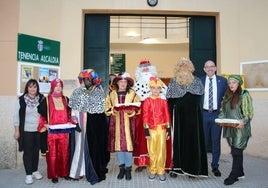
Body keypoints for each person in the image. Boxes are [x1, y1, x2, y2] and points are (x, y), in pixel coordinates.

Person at [166, 57, 208, 178]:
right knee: (177, 142)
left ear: (190, 67)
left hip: (193, 119)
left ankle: (192, 169)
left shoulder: (197, 81)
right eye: (181, 65)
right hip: (178, 118)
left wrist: (183, 100)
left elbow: (198, 98)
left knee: (192, 142)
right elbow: (170, 99)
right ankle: (177, 168)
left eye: (186, 65)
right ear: (178, 68)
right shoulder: (173, 81)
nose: (184, 67)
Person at [68, 69, 109, 184]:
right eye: (85, 79)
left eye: (89, 79)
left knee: (92, 148)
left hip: (93, 125)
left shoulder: (98, 91)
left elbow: (101, 110)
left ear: (93, 79)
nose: (87, 81)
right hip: (81, 122)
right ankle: (78, 172)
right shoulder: (77, 92)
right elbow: (74, 109)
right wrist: (75, 122)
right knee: (80, 147)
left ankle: (90, 170)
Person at [133, 60, 171, 172]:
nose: (145, 70)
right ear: (139, 71)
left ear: (151, 69)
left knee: (159, 141)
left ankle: (160, 163)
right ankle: (143, 162)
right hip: (142, 115)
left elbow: (165, 94)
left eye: (147, 67)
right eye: (143, 68)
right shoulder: (137, 84)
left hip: (158, 117)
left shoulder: (158, 82)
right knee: (143, 138)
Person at [38, 78, 76, 183]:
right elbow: (42, 116)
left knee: (64, 153)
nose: (58, 88)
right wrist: (44, 124)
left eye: (60, 86)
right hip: (52, 133)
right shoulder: (46, 100)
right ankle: (54, 175)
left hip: (64, 132)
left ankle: (64, 173)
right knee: (53, 155)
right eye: (56, 86)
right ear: (52, 87)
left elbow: (69, 114)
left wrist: (70, 121)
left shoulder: (66, 99)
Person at [218, 75, 253, 185]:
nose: (231, 85)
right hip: (229, 128)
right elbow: (222, 111)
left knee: (237, 151)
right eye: (229, 83)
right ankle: (240, 172)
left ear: (239, 84)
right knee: (235, 150)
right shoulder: (227, 96)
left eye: (234, 82)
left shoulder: (244, 95)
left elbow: (249, 113)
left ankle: (233, 176)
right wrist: (220, 119)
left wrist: (244, 121)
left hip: (240, 129)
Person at [105, 72, 140, 181]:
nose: (123, 84)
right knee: (119, 147)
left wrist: (131, 112)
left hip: (128, 124)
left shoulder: (133, 94)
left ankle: (128, 169)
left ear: (127, 83)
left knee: (128, 147)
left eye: (125, 82)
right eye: (121, 82)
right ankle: (121, 169)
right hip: (116, 124)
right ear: (117, 83)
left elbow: (138, 109)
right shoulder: (112, 94)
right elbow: (107, 110)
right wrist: (113, 110)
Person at [13, 79, 45, 184]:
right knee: (27, 153)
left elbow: (45, 114)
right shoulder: (21, 100)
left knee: (36, 152)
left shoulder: (41, 99)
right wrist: (17, 130)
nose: (32, 89)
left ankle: (35, 170)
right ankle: (28, 174)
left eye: (34, 87)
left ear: (37, 88)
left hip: (38, 130)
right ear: (27, 88)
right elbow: (16, 116)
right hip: (26, 131)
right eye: (30, 87)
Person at [200, 60, 227, 177]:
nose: (209, 68)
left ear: (215, 68)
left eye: (212, 66)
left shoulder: (223, 81)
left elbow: (228, 97)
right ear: (204, 69)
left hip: (217, 115)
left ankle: (215, 166)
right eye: (207, 67)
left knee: (216, 141)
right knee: (203, 142)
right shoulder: (199, 81)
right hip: (204, 114)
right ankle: (202, 166)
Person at [143, 76, 171, 182]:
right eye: (154, 88)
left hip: (162, 129)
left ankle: (161, 171)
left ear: (160, 89)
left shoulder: (163, 101)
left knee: (161, 150)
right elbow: (145, 116)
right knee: (152, 150)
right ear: (150, 88)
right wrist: (146, 131)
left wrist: (168, 130)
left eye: (158, 88)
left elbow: (167, 115)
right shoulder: (147, 101)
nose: (156, 90)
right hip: (151, 129)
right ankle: (153, 170)